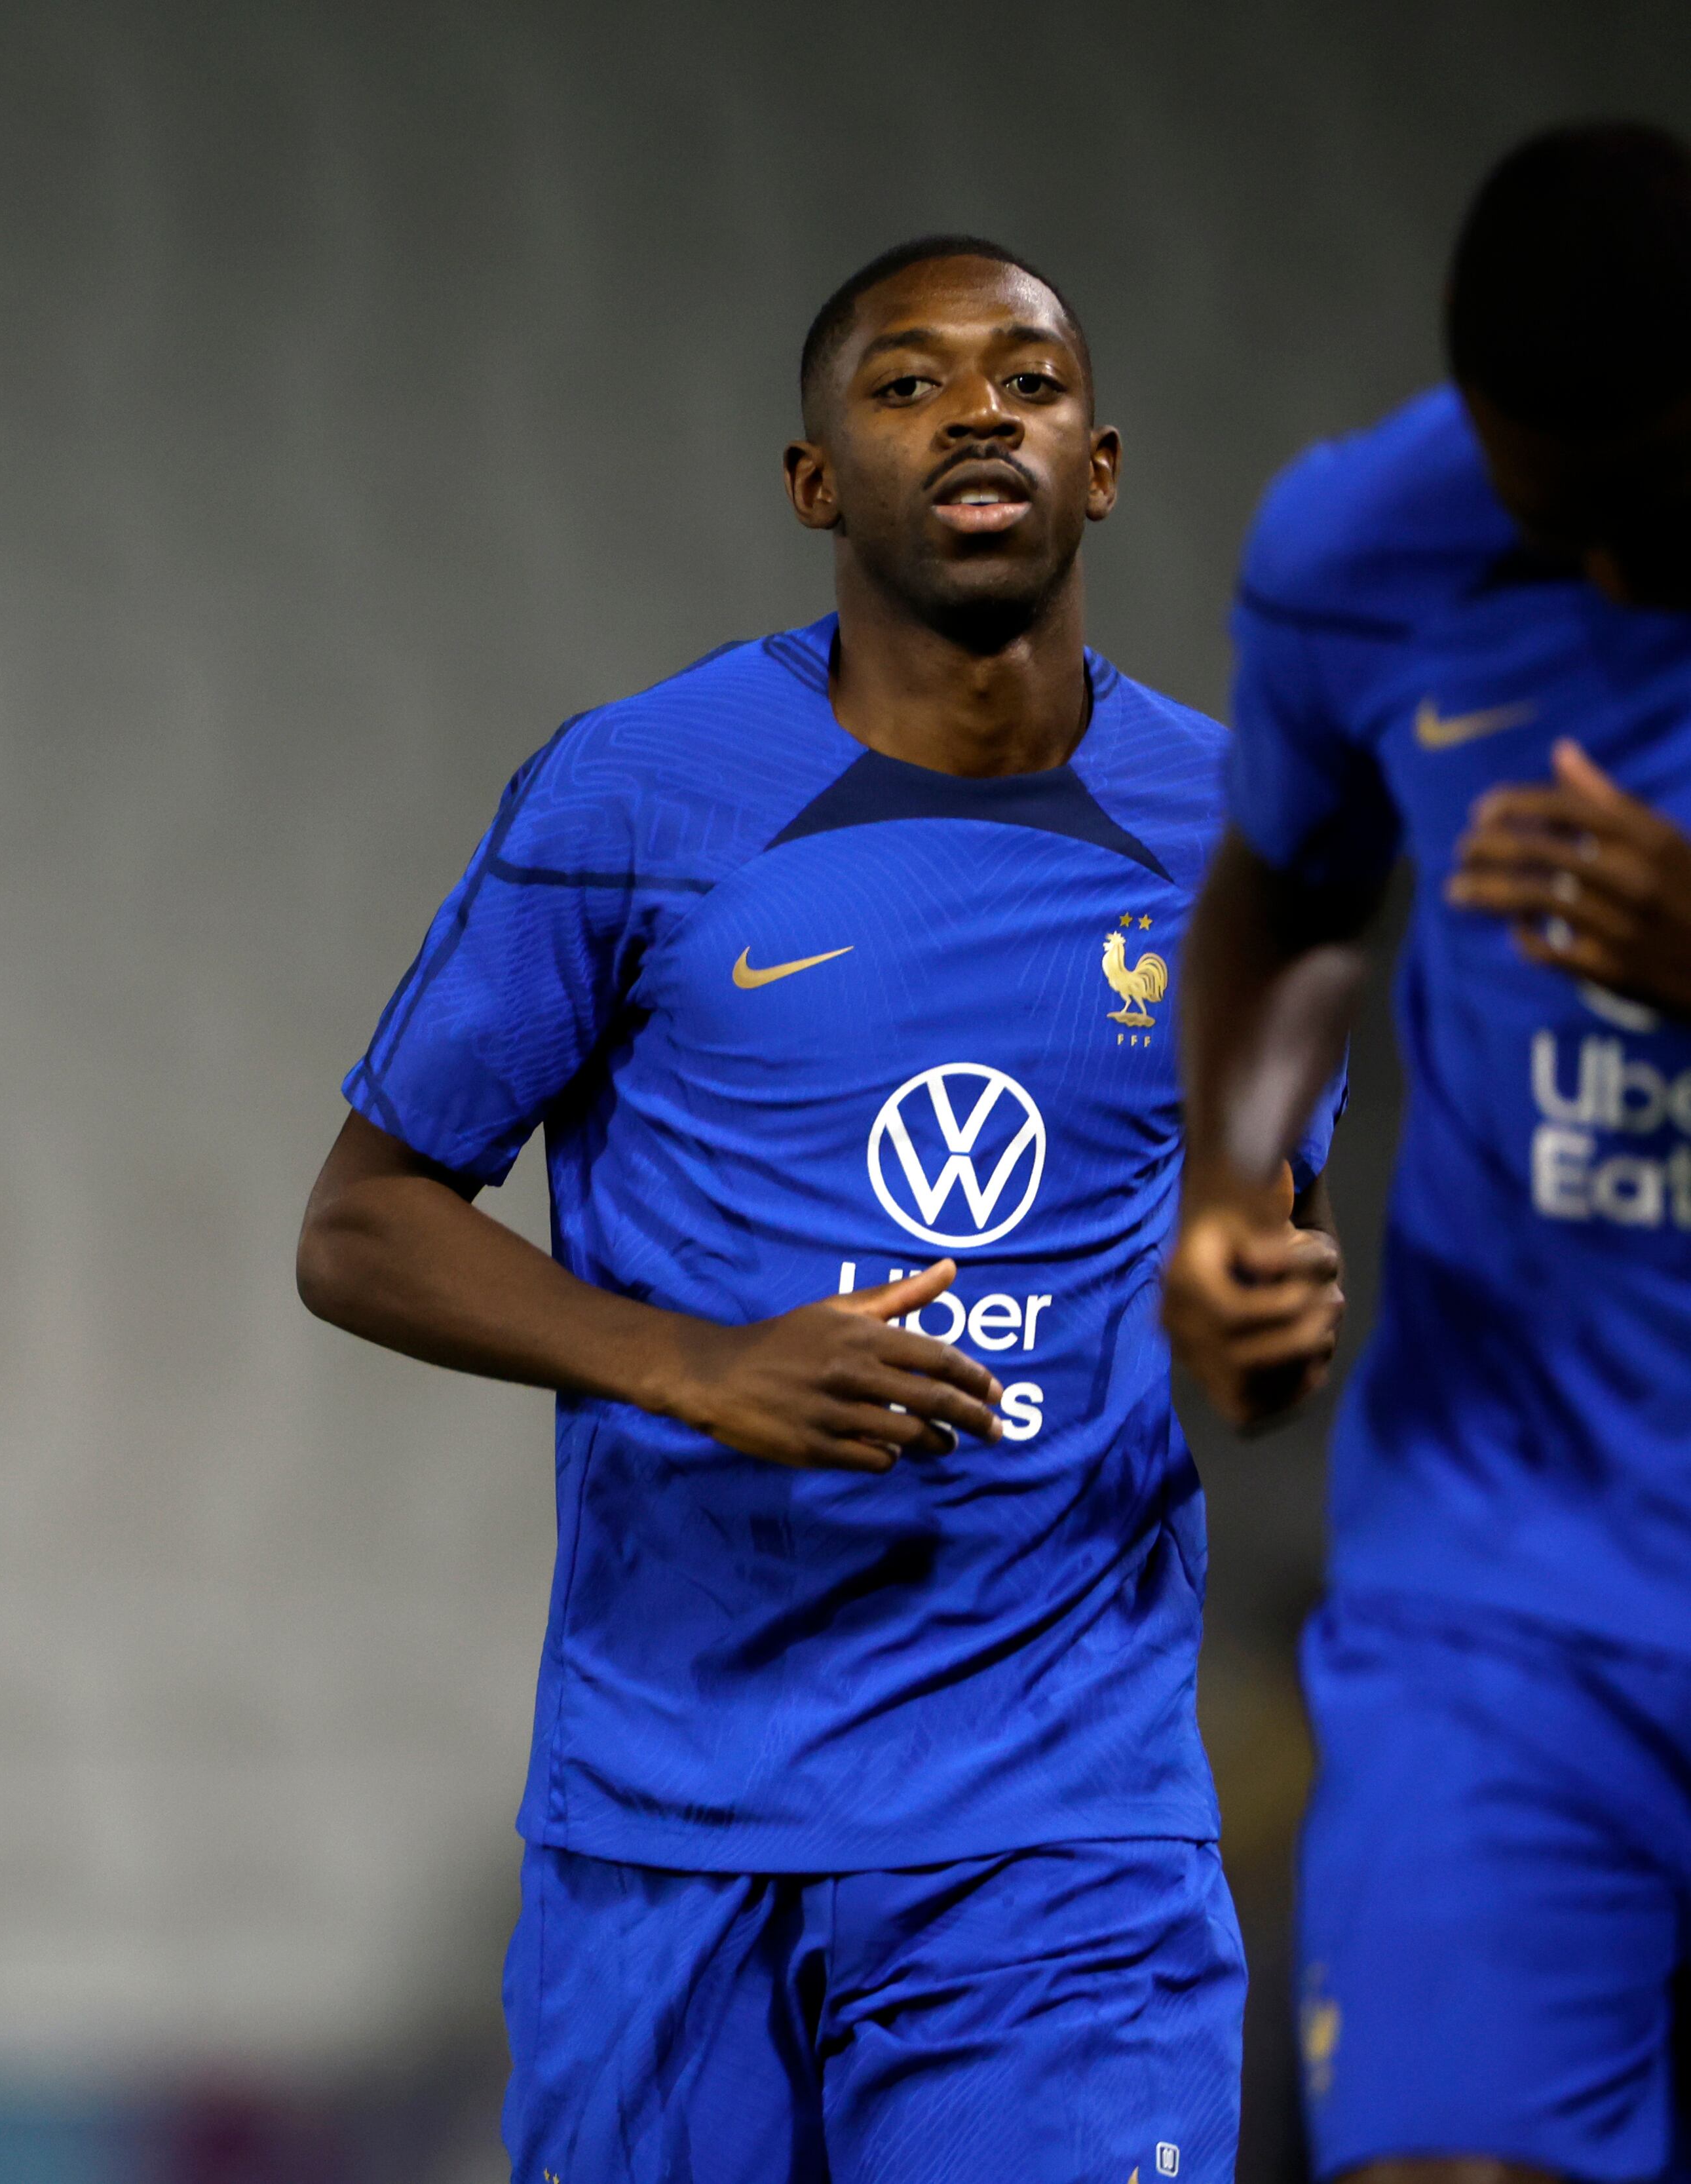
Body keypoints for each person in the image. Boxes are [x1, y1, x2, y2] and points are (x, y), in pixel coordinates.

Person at [297, 237, 1342, 2183]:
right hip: (671, 1824)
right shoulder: (635, 798)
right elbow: (359, 1223)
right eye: (910, 381)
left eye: (1027, 383)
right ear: (813, 483)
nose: (978, 413)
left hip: (1063, 1842)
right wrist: (703, 1368)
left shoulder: (1238, 841)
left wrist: (1269, 1320)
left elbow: (1253, 1271)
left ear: (1097, 467)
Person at [1169, 123, 1691, 2184]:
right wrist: (1232, 1188)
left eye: (1649, 511)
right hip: (1505, 1587)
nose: (1609, 578)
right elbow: (1287, 899)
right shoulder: (1361, 551)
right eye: (1544, 522)